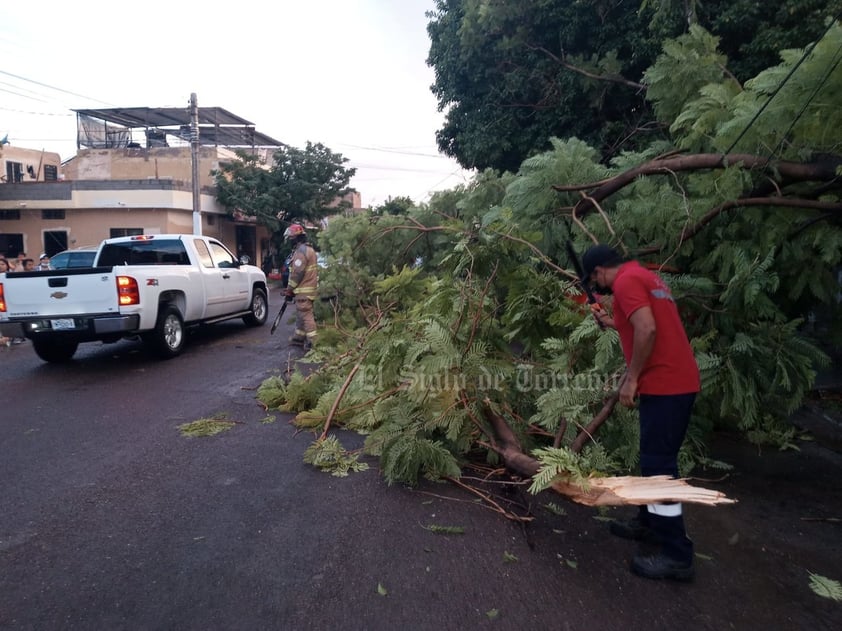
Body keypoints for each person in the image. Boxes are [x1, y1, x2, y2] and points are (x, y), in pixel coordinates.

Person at [581, 244, 700, 582]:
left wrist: (630, 380)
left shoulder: (625, 283)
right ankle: (650, 524)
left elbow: (647, 329)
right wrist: (612, 320)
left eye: (594, 281)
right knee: (653, 460)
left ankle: (677, 555)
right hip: (676, 381)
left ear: (600, 271)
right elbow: (642, 325)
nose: (597, 288)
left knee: (660, 468)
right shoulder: (645, 276)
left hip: (667, 384)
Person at [282, 223, 319, 350]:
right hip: (307, 289)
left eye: (290, 239)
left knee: (306, 315)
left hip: (303, 290)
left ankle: (313, 342)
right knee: (301, 314)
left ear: (295, 238)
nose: (289, 241)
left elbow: (297, 273)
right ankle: (299, 337)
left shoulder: (301, 252)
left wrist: (289, 290)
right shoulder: (309, 250)